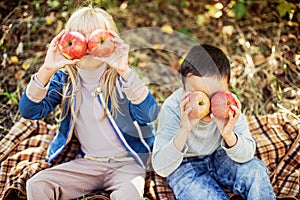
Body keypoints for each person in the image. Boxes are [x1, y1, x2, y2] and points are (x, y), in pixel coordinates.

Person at [19, 6, 159, 200]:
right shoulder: (65, 80)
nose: (86, 43)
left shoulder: (121, 78)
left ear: (111, 40)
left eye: (95, 36)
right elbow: (30, 111)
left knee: (130, 196)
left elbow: (149, 114)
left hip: (127, 164)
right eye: (79, 36)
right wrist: (47, 69)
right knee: (37, 185)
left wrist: (125, 71)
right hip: (89, 163)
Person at [152, 44, 276, 200]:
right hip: (184, 165)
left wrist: (229, 135)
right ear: (183, 87)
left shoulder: (229, 106)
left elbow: (247, 155)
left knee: (256, 170)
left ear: (227, 88)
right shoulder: (173, 108)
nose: (210, 104)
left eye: (216, 94)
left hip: (220, 155)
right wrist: (184, 130)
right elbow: (161, 167)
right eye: (200, 94)